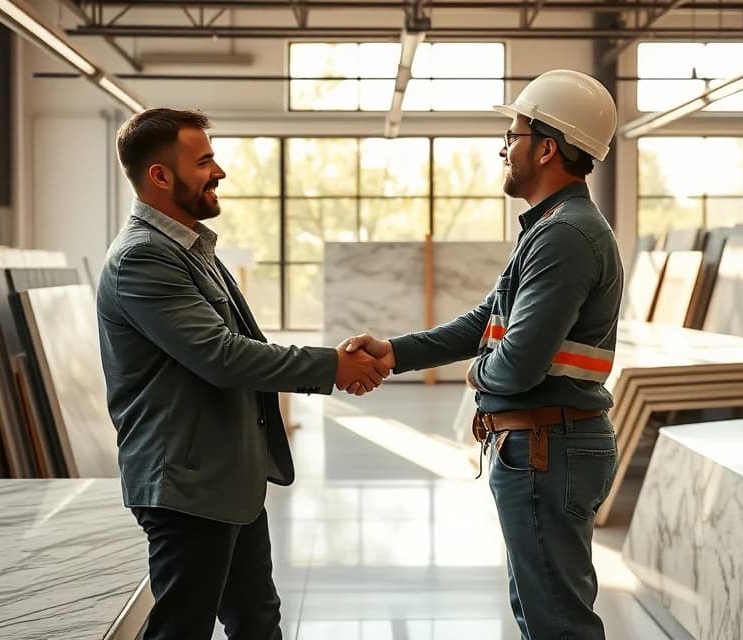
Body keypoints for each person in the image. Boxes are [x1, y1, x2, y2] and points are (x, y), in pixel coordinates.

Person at [341, 69, 624, 639]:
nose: (503, 146)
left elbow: (515, 364)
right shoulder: (550, 228)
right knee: (539, 608)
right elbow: (485, 321)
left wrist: (476, 374)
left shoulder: (564, 236)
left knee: (556, 623)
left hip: (549, 447)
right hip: (545, 444)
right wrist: (393, 352)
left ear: (547, 148)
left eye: (514, 134)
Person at [96, 108, 391, 640]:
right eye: (204, 159)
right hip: (187, 485)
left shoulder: (190, 248)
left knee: (256, 619)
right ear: (160, 176)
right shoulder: (144, 258)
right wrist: (334, 367)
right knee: (181, 628)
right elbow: (223, 356)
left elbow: (239, 348)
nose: (220, 171)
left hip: (226, 475)